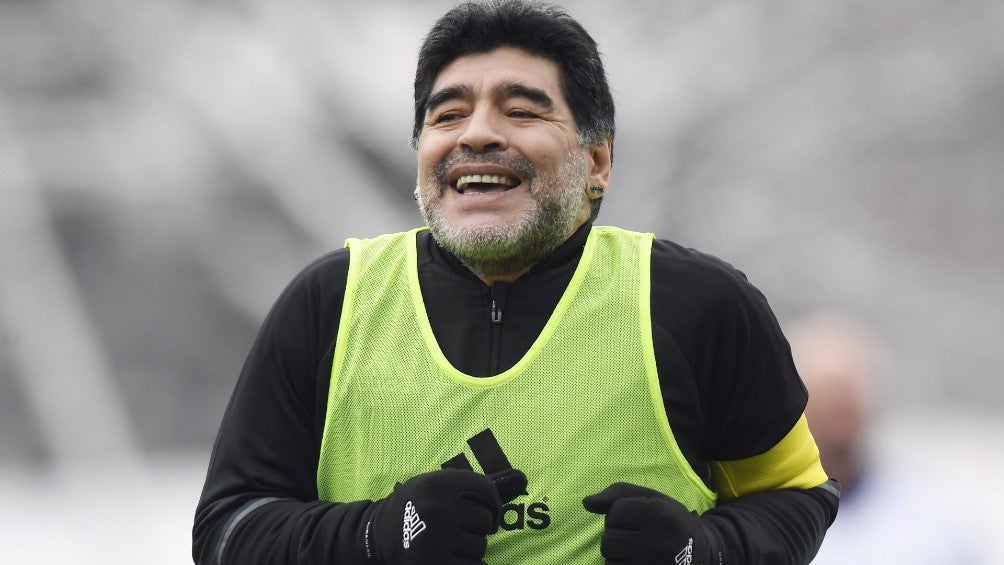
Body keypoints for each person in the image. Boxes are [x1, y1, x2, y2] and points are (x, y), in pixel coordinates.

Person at [193, 1, 839, 563]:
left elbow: (798, 496)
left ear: (598, 160)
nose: (477, 134)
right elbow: (227, 530)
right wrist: (373, 537)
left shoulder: (699, 304)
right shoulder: (330, 304)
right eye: (448, 115)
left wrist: (707, 551)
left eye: (522, 110)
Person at [790, 312, 987, 564]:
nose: (839, 417)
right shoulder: (765, 522)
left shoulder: (936, 520)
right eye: (826, 397)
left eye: (848, 400)